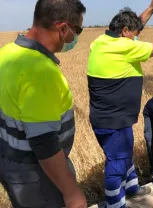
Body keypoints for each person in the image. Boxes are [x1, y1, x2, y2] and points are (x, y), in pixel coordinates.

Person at [86, 0, 153, 207]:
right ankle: (115, 203)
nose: (137, 36)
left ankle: (132, 188)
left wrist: (152, 7)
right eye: (135, 33)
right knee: (117, 162)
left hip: (108, 117)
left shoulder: (100, 41)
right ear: (125, 31)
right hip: (113, 120)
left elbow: (135, 26)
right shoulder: (125, 46)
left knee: (125, 155)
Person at [0, 0, 87, 207]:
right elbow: (44, 142)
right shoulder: (40, 73)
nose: (75, 38)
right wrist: (71, 192)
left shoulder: (7, 53)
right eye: (78, 30)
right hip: (38, 174)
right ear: (63, 28)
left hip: (10, 163)